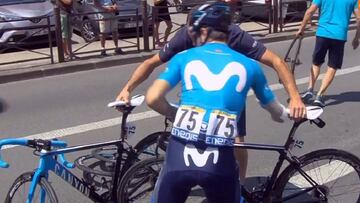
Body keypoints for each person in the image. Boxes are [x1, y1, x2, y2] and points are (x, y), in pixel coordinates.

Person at [116, 0, 306, 184]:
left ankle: (239, 185)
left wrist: (295, 98)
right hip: (196, 92)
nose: (193, 36)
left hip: (227, 95)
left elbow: (276, 61)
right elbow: (151, 62)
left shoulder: (233, 34)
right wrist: (126, 89)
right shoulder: (185, 35)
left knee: (236, 141)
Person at [146, 3, 287, 202]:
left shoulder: (184, 57)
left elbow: (152, 98)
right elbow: (276, 112)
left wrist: (176, 114)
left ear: (202, 31)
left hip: (179, 155)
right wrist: (291, 113)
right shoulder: (249, 65)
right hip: (219, 160)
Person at [297, 0, 360, 107]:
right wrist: (357, 38)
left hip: (322, 33)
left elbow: (310, 11)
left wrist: (301, 29)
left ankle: (310, 90)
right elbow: (359, 18)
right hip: (339, 36)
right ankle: (320, 95)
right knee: (332, 66)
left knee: (316, 63)